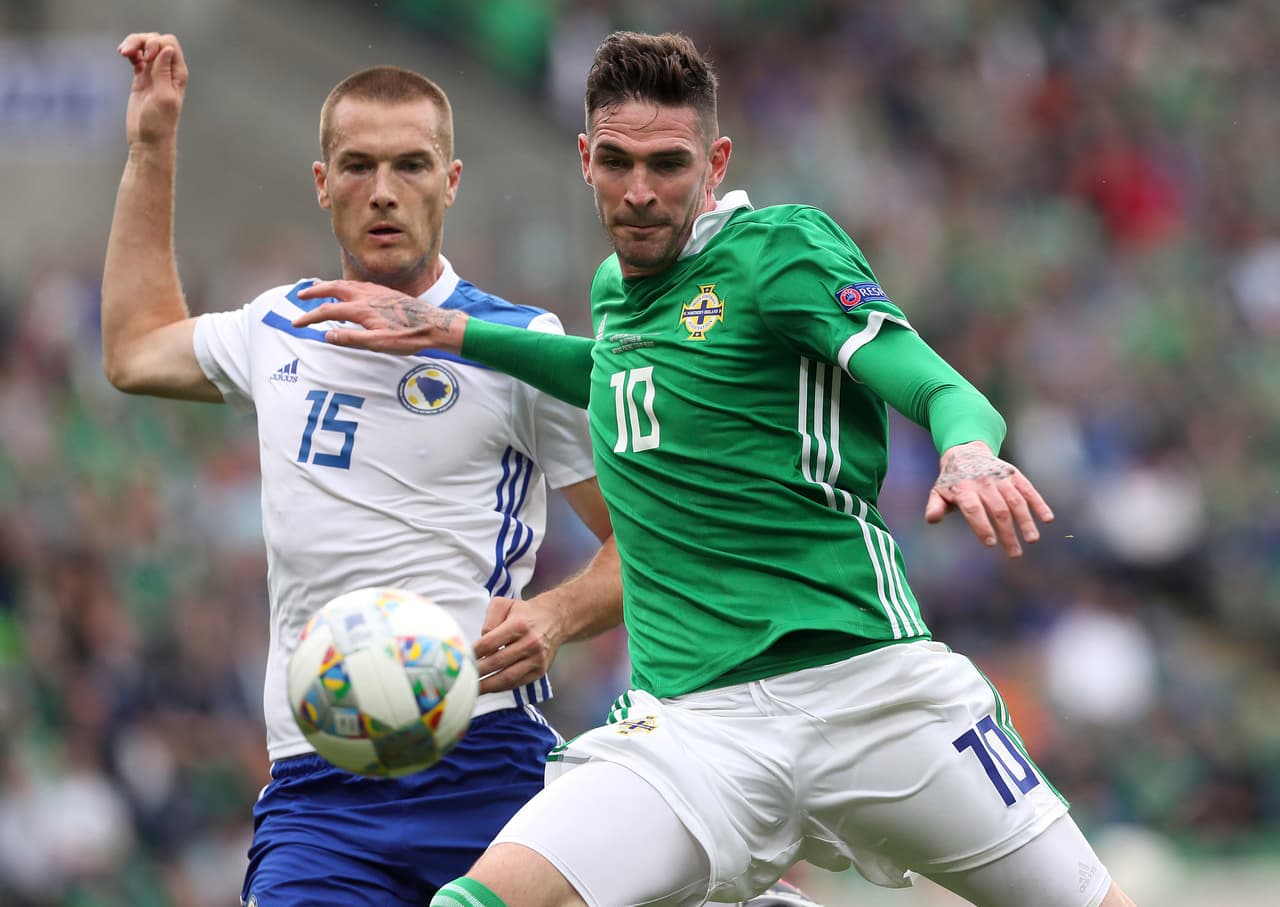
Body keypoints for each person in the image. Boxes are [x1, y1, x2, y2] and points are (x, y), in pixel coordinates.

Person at [291, 30, 1139, 907]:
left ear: (716, 158)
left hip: (873, 694)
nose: (641, 191)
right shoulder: (617, 293)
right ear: (585, 158)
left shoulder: (780, 253)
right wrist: (457, 333)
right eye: (616, 161)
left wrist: (967, 449)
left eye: (668, 163)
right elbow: (625, 372)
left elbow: (937, 385)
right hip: (691, 726)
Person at [101, 33, 625, 906]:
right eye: (357, 166)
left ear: (450, 184)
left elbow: (641, 541)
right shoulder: (280, 323)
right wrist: (153, 142)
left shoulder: (518, 346)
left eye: (412, 165)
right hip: (318, 787)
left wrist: (556, 616)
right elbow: (134, 348)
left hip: (485, 769)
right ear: (321, 184)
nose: (383, 191)